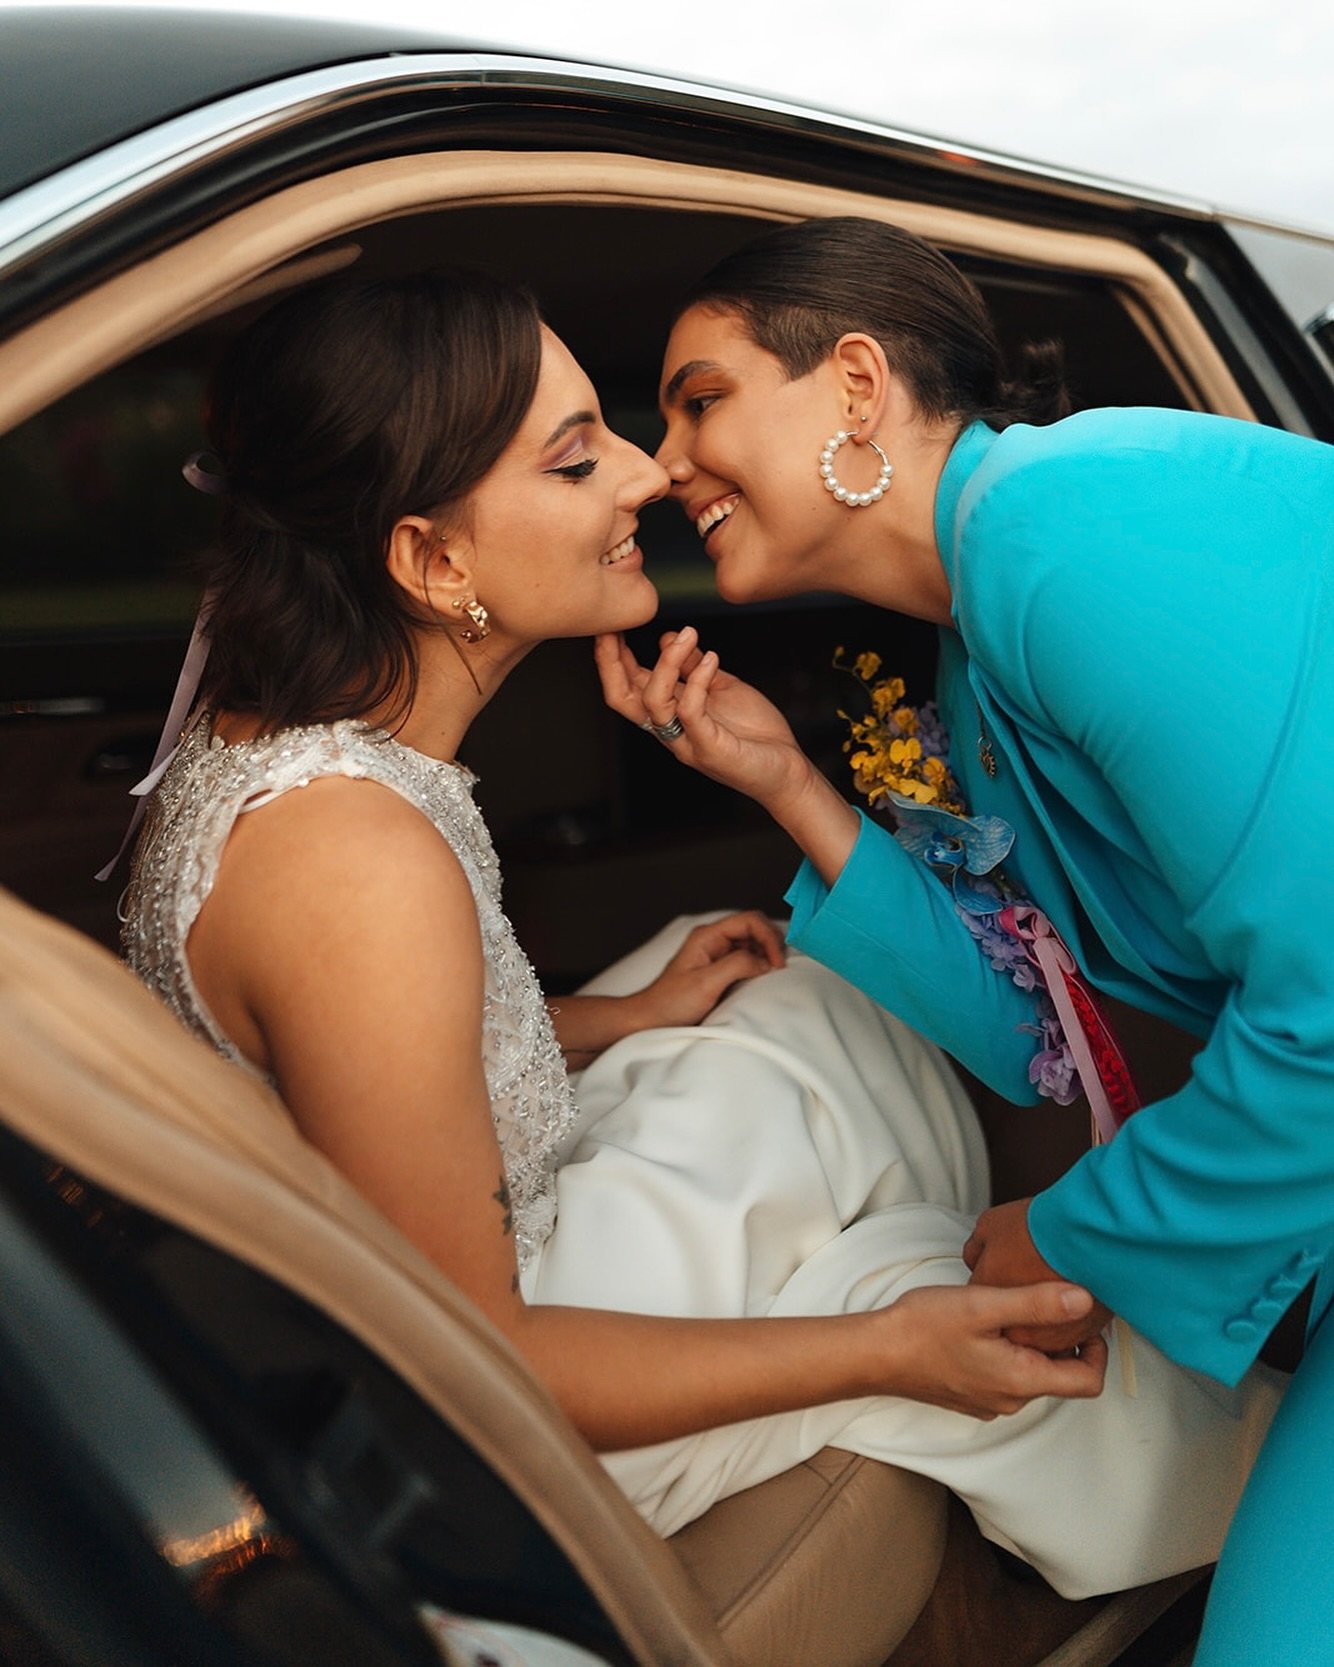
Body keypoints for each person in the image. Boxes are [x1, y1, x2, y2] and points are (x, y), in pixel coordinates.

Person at [122, 268, 1276, 1604]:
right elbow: (476, 1363)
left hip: (384, 1281)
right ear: (433, 562)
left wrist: (604, 1017)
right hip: (491, 1422)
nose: (642, 475)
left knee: (777, 994)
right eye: (575, 459)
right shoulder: (356, 863)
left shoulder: (266, 760)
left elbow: (332, 1066)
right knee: (866, 1162)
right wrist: (884, 1348)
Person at [596, 213, 1332, 1662]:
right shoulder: (978, 648)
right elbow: (1052, 1036)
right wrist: (788, 784)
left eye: (699, 399)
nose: (660, 463)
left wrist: (1071, 1238)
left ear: (855, 385)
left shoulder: (1076, 533)